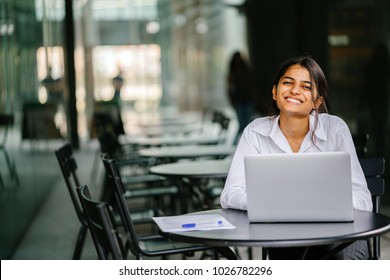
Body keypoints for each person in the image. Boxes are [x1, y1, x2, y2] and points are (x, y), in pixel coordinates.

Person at [220, 55, 373, 260]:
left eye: (306, 87)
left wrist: (326, 205)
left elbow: (363, 198)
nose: (294, 90)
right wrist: (266, 204)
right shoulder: (255, 132)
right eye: (288, 83)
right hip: (283, 235)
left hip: (340, 237)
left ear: (318, 101)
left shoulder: (335, 129)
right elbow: (230, 193)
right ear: (275, 92)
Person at [227, 51, 255, 141]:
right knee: (242, 123)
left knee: (247, 123)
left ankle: (241, 142)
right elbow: (229, 88)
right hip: (238, 100)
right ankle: (239, 142)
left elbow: (251, 86)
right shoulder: (232, 73)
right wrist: (231, 100)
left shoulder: (247, 71)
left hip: (247, 99)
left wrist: (254, 98)